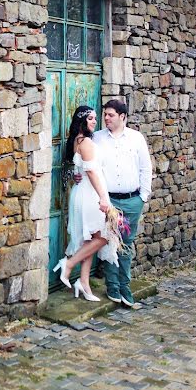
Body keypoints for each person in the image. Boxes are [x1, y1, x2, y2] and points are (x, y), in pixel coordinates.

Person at [87, 99, 153, 308]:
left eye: (110, 115)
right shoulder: (97, 138)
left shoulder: (136, 139)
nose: (106, 118)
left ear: (122, 116)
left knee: (126, 243)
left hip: (132, 200)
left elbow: (145, 168)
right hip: (109, 201)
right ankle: (112, 286)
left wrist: (143, 197)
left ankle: (125, 286)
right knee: (109, 242)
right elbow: (88, 163)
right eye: (105, 114)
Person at [52, 105, 120, 302]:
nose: (95, 121)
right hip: (91, 195)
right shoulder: (87, 143)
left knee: (91, 239)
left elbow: (79, 169)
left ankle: (84, 283)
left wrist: (76, 175)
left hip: (83, 192)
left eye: (95, 118)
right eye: (91, 118)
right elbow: (91, 171)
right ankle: (69, 264)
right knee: (105, 236)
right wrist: (104, 198)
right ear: (82, 120)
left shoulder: (78, 140)